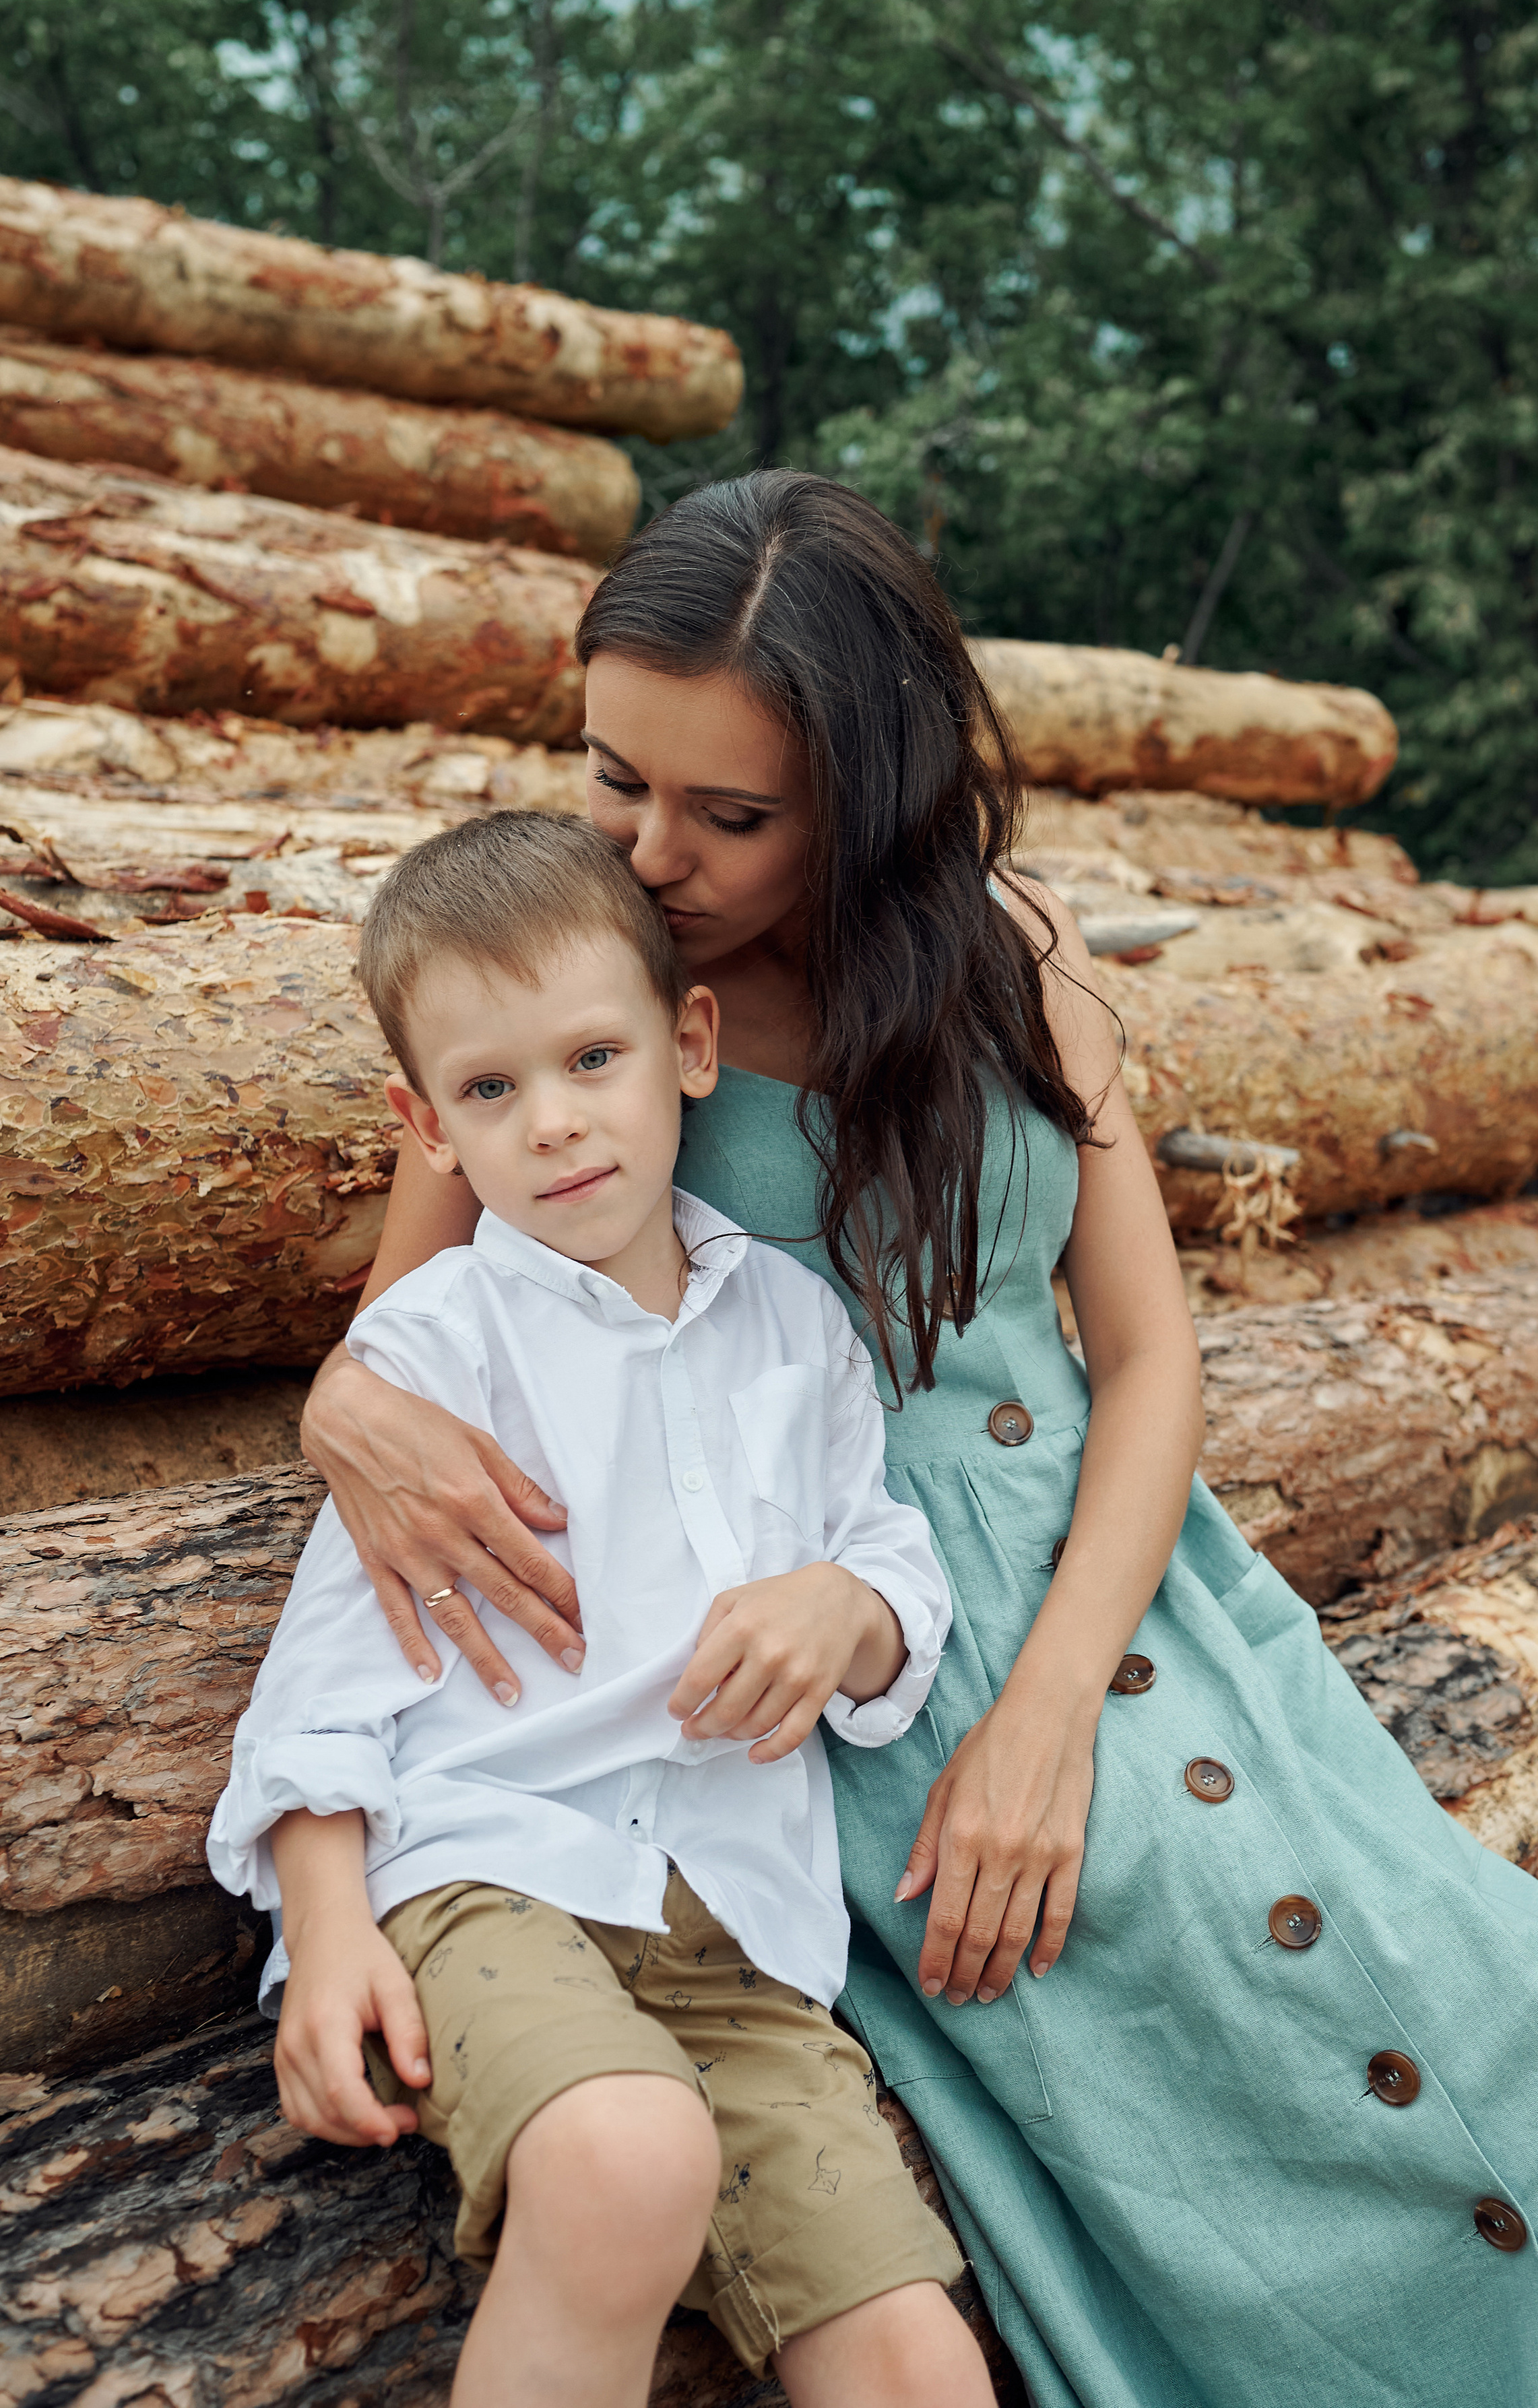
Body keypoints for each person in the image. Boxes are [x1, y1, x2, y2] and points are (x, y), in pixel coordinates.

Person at [301, 471, 1538, 2408]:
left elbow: (1143, 1360)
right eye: (613, 776)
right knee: (1214, 2120)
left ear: (870, 786)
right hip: (866, 1682)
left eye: (730, 814)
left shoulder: (1015, 952)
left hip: (1141, 1595)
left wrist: (1057, 1704)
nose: (651, 849)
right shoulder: (589, 984)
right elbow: (403, 1345)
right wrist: (334, 1410)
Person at [207, 810, 993, 2408]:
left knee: (921, 2357)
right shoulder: (437, 1354)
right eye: (493, 1090)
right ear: (426, 1125)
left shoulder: (793, 1327)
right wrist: (331, 1926)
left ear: (685, 1042)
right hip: (492, 1871)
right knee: (631, 2156)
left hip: (740, 1930)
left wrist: (840, 1610)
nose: (556, 1125)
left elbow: (894, 1560)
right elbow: (325, 1686)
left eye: (589, 1058)